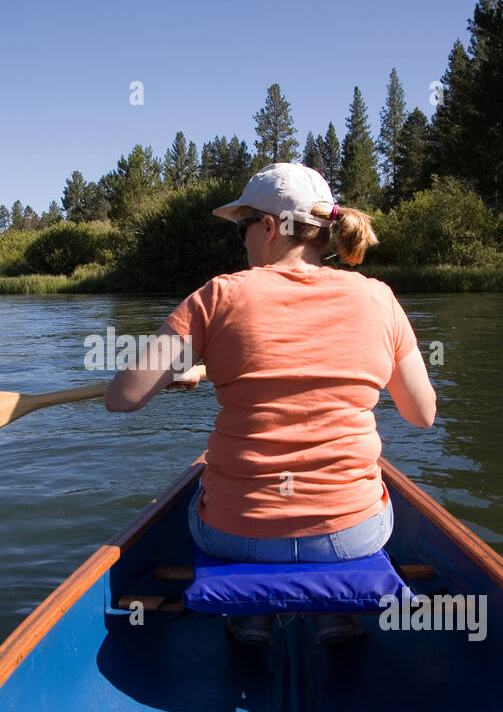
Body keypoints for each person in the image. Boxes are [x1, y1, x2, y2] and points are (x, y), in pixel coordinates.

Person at [104, 163, 436, 646]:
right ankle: (332, 612)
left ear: (269, 226)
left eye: (243, 227)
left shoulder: (219, 296)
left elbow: (123, 397)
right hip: (351, 535)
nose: (241, 241)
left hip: (237, 534)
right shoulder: (379, 299)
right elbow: (422, 415)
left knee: (199, 499)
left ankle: (251, 616)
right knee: (371, 502)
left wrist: (188, 366)